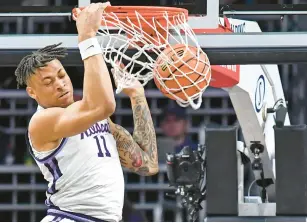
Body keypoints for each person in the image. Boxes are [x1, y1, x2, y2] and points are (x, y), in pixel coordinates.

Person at [14, 2, 158, 222]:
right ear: (32, 93)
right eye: (48, 82)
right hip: (69, 217)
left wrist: (137, 95)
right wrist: (87, 37)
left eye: (62, 75)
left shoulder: (96, 117)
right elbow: (102, 105)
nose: (60, 84)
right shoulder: (42, 122)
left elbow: (147, 165)